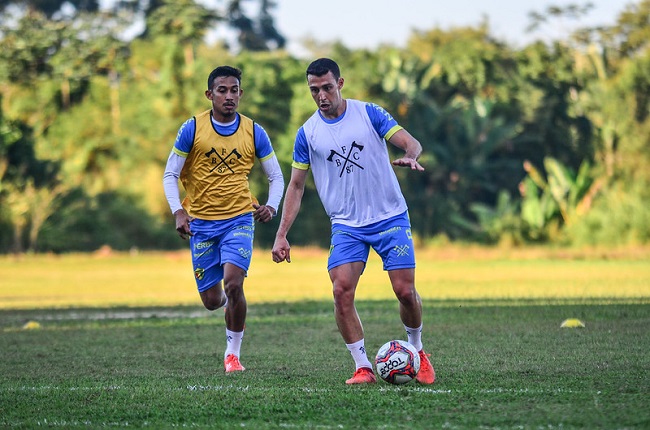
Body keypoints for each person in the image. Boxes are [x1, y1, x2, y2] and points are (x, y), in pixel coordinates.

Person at [271, 58, 435, 385]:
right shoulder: (307, 134)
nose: (321, 96)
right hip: (347, 225)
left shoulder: (368, 113)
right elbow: (296, 186)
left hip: (390, 216)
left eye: (327, 87)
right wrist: (281, 234)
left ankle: (417, 351)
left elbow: (410, 142)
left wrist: (411, 155)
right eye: (314, 90)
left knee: (405, 291)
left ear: (340, 83)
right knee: (341, 291)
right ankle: (362, 367)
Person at [163, 65, 284, 373]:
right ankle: (232, 304)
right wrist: (178, 210)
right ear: (210, 94)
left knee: (233, 283)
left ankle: (233, 353)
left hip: (239, 219)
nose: (229, 96)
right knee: (211, 300)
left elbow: (276, 176)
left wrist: (271, 206)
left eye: (234, 90)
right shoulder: (192, 128)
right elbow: (170, 174)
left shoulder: (254, 131)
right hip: (201, 224)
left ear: (241, 94)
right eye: (222, 90)